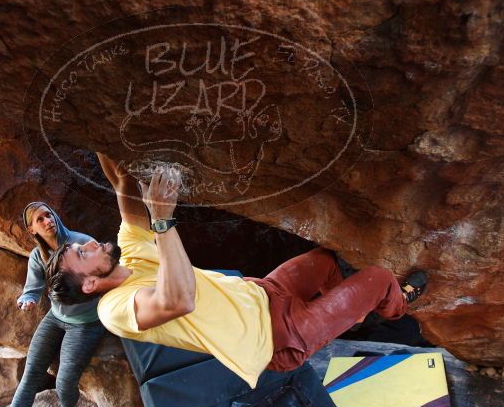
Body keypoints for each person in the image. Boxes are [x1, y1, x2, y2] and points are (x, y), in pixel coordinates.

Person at [46, 155, 428, 390]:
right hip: (278, 338)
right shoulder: (114, 309)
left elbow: (121, 185)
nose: (89, 242)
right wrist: (163, 220)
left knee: (327, 261)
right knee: (378, 277)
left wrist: (103, 130)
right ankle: (398, 304)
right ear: (91, 282)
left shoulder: (131, 260)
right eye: (82, 252)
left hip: (264, 292)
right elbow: (178, 299)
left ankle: (349, 316)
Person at [0, 203, 105, 407]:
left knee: (64, 380)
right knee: (30, 377)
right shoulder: (39, 255)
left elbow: (105, 275)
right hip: (56, 317)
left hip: (85, 322)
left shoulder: (82, 242)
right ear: (32, 229)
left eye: (49, 214)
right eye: (40, 219)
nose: (48, 220)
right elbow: (35, 286)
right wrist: (30, 298)